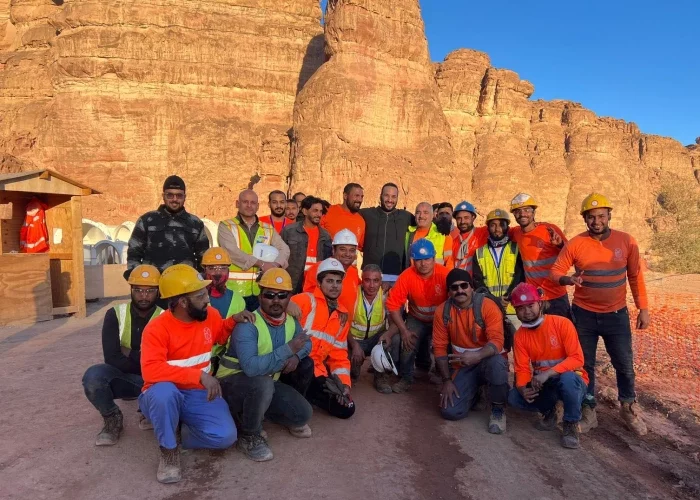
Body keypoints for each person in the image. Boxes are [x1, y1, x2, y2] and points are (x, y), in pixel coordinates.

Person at [550, 193, 650, 436]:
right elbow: (555, 271)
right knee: (585, 365)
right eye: (591, 217)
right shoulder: (575, 244)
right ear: (585, 219)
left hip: (616, 315)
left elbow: (635, 277)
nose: (596, 221)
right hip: (584, 316)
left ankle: (628, 407)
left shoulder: (626, 241)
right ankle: (589, 409)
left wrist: (643, 308)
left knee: (624, 365)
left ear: (609, 216)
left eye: (601, 216)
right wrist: (568, 279)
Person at [139, 264, 240, 484]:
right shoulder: (157, 329)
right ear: (183, 302)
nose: (207, 299)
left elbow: (220, 335)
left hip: (197, 394)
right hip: (163, 393)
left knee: (225, 436)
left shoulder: (209, 315)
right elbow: (151, 370)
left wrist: (233, 321)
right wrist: (198, 376)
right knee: (164, 394)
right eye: (201, 295)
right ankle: (169, 451)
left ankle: (177, 429)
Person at [218, 269, 314, 462]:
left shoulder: (290, 321)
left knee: (302, 414)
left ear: (289, 298)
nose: (276, 300)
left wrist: (296, 356)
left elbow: (307, 343)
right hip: (230, 385)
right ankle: (249, 435)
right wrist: (288, 349)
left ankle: (253, 412)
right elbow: (252, 369)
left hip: (266, 382)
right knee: (262, 383)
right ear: (260, 296)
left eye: (282, 295)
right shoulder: (248, 325)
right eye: (269, 295)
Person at [82, 265, 164, 446]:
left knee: (168, 385)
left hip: (155, 380)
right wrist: (143, 358)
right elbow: (111, 358)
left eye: (150, 291)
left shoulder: (166, 317)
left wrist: (129, 354)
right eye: (138, 290)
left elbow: (165, 362)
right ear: (131, 290)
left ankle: (148, 411)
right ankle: (112, 418)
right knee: (94, 377)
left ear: (158, 292)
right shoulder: (115, 314)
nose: (144, 295)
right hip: (129, 377)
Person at [507, 283, 588, 449]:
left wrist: (548, 373)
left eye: (530, 305)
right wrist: (523, 388)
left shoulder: (561, 324)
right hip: (545, 383)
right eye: (520, 308)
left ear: (540, 303)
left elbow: (577, 359)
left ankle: (571, 423)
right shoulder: (520, 336)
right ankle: (550, 410)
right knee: (514, 397)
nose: (526, 311)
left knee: (567, 379)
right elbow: (522, 368)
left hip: (572, 379)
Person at [433, 269, 508, 434]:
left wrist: (477, 355)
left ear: (471, 287)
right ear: (449, 292)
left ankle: (498, 409)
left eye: (464, 285)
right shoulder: (442, 312)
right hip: (463, 366)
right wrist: (446, 381)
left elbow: (497, 341)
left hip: (487, 360)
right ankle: (475, 392)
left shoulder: (487, 306)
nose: (460, 290)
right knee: (449, 412)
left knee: (497, 364)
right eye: (454, 287)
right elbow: (439, 348)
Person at [291, 258, 356, 419]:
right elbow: (275, 304)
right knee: (306, 365)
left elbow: (339, 357)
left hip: (316, 371)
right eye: (329, 281)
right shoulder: (305, 300)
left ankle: (309, 396)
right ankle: (296, 402)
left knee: (347, 408)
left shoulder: (341, 316)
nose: (334, 285)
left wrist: (344, 385)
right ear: (319, 283)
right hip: (292, 365)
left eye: (338, 281)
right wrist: (287, 303)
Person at [385, 239, 450, 393]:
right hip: (417, 318)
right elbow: (393, 305)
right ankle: (406, 378)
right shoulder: (406, 276)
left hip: (440, 319)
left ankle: (443, 375)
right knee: (409, 342)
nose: (423, 264)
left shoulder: (445, 274)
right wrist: (404, 331)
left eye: (427, 259)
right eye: (419, 260)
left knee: (449, 344)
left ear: (434, 259)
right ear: (413, 260)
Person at [124, 175, 209, 282]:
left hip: (185, 285)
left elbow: (204, 257)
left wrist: (198, 279)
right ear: (163, 196)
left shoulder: (195, 223)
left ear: (185, 197)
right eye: (170, 195)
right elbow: (134, 253)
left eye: (179, 196)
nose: (174, 199)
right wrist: (139, 279)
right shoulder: (147, 220)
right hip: (154, 285)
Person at [218, 189, 290, 312]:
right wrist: (262, 264)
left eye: (253, 203)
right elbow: (232, 252)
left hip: (261, 291)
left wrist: (275, 265)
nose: (249, 205)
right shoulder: (226, 226)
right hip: (234, 292)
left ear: (257, 206)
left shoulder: (267, 228)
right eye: (245, 202)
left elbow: (284, 249)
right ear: (237, 204)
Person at [509, 193, 571, 319]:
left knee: (561, 333)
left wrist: (560, 244)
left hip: (556, 297)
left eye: (527, 210)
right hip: (534, 299)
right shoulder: (516, 233)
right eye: (518, 211)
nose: (522, 214)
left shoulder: (549, 230)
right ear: (514, 215)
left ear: (534, 212)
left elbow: (571, 253)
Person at [348, 264, 401, 392]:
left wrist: (387, 335)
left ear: (381, 281)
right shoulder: (352, 294)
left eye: (376, 280)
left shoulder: (386, 296)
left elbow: (396, 323)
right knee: (350, 374)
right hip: (354, 340)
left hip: (376, 340)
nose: (372, 285)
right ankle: (353, 368)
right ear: (362, 280)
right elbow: (341, 325)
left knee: (395, 339)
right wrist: (354, 345)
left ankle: (381, 377)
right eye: (367, 280)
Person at [472, 209, 525, 327]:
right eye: (493, 225)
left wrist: (507, 298)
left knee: (517, 343)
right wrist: (495, 301)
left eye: (502, 224)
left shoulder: (516, 249)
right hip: (489, 309)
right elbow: (478, 282)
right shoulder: (479, 253)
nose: (497, 229)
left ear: (507, 227)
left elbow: (520, 277)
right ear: (488, 228)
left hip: (514, 309)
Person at [360, 182, 413, 285]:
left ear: (397, 198)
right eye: (386, 195)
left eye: (394, 196)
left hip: (396, 277)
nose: (390, 200)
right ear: (380, 196)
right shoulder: (367, 214)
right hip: (370, 276)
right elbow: (348, 214)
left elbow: (424, 222)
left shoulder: (406, 217)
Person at [303, 228, 361, 316]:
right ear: (333, 250)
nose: (348, 254)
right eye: (342, 249)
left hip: (345, 327)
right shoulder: (317, 269)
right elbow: (308, 298)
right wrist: (338, 310)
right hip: (322, 324)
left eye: (352, 250)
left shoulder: (354, 272)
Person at [281, 196, 332, 292]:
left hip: (315, 285)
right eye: (315, 211)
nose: (319, 214)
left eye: (320, 211)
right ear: (305, 211)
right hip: (291, 284)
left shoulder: (326, 236)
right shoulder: (289, 231)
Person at [201, 247, 245, 319]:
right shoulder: (196, 298)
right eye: (212, 268)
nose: (218, 273)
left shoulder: (238, 299)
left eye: (223, 268)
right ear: (205, 270)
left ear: (228, 271)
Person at [406, 202, 453, 268]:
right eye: (418, 212)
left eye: (425, 213)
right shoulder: (407, 234)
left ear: (432, 216)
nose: (421, 216)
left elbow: (449, 264)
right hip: (412, 277)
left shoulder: (443, 236)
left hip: (436, 277)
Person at [320, 183, 365, 247]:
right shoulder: (328, 211)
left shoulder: (361, 221)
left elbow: (361, 246)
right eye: (356, 196)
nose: (360, 200)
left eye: (362, 196)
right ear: (345, 196)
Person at [451, 201, 488, 274]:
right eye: (459, 218)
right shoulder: (454, 242)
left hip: (479, 283)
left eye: (466, 218)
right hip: (462, 283)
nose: (462, 221)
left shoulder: (483, 233)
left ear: (473, 217)